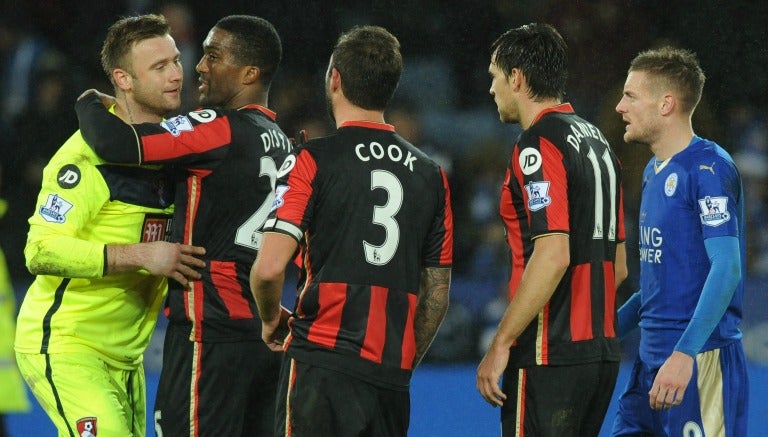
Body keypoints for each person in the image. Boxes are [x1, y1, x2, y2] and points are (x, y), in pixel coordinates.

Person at [75, 15, 292, 436]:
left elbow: (118, 143)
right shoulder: (279, 139)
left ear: (249, 73)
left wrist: (87, 100)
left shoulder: (217, 128)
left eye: (214, 56)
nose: (199, 67)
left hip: (208, 331)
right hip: (259, 330)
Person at [250, 25, 453, 436]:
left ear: (334, 79)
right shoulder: (433, 176)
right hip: (389, 381)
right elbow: (437, 294)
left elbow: (269, 269)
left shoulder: (311, 159)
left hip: (320, 364)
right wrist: (399, 364)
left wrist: (270, 318)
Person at [13, 14, 206, 437]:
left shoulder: (172, 146)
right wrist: (140, 255)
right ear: (123, 79)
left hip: (127, 359)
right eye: (159, 67)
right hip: (67, 346)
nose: (176, 75)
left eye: (176, 61)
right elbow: (40, 250)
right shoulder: (83, 158)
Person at [475, 23, 627, 437]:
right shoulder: (599, 144)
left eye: (494, 77)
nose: (492, 89)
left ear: (517, 78)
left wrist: (502, 341)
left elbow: (553, 254)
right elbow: (620, 267)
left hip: (548, 354)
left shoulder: (538, 145)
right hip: (600, 356)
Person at [612, 46, 748, 436]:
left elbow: (727, 267)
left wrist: (685, 353)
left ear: (666, 103)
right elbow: (659, 286)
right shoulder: (652, 172)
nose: (620, 106)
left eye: (631, 96)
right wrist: (602, 338)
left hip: (698, 362)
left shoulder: (709, 167)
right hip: (649, 367)